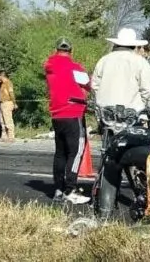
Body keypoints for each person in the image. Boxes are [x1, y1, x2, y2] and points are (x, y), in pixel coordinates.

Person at [44, 38, 92, 204]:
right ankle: (70, 189)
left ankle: (58, 188)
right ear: (71, 51)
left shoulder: (50, 66)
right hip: (73, 111)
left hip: (57, 114)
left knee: (60, 153)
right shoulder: (75, 68)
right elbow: (89, 85)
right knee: (76, 152)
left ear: (56, 50)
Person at [91, 28, 150, 115]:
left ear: (116, 44)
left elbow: (95, 86)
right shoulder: (140, 62)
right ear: (134, 45)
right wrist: (145, 107)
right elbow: (148, 90)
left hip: (106, 112)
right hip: (131, 113)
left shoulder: (104, 60)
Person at [0, 70, 16, 142]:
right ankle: (4, 136)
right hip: (2, 103)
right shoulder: (2, 84)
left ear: (1, 76)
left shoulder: (8, 83)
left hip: (7, 103)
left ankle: (11, 136)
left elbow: (11, 93)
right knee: (2, 121)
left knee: (8, 120)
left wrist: (14, 103)